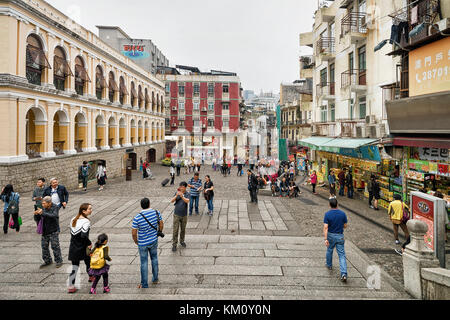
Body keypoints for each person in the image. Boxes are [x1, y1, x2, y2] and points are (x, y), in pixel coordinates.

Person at [132, 198, 163, 288]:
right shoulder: (156, 213)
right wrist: (159, 232)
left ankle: (144, 284)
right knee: (154, 258)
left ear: (141, 205)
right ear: (149, 204)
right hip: (153, 240)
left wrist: (136, 241)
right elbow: (161, 223)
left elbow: (134, 233)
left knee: (144, 262)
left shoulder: (137, 217)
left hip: (142, 243)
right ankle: (155, 278)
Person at [68, 203, 93, 293]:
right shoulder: (86, 222)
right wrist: (89, 243)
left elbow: (73, 234)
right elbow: (83, 236)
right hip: (83, 246)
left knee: (75, 267)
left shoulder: (73, 219)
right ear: (83, 211)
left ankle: (71, 286)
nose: (91, 210)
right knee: (88, 262)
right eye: (89, 209)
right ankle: (91, 276)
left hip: (73, 247)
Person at [323, 198, 348, 283]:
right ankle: (344, 273)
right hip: (340, 236)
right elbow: (345, 225)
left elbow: (325, 227)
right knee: (342, 255)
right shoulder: (342, 214)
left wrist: (326, 239)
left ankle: (329, 265)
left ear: (329, 205)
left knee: (329, 250)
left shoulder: (327, 214)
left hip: (330, 235)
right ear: (337, 204)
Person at [34, 196, 63, 268]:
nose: (43, 205)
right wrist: (36, 214)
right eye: (42, 203)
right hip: (45, 230)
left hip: (53, 230)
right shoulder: (43, 208)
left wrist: (42, 213)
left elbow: (54, 215)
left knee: (55, 246)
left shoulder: (55, 207)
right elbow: (38, 219)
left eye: (44, 203)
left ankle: (59, 261)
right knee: (44, 247)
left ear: (49, 203)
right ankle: (47, 260)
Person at [171, 182, 190, 252]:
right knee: (175, 229)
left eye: (182, 187)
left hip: (184, 215)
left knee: (183, 229)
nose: (181, 188)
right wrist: (176, 196)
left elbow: (187, 201)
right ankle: (174, 244)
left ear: (185, 187)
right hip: (176, 214)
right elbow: (172, 201)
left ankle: (182, 241)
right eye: (180, 187)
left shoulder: (187, 194)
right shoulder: (177, 192)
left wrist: (182, 196)